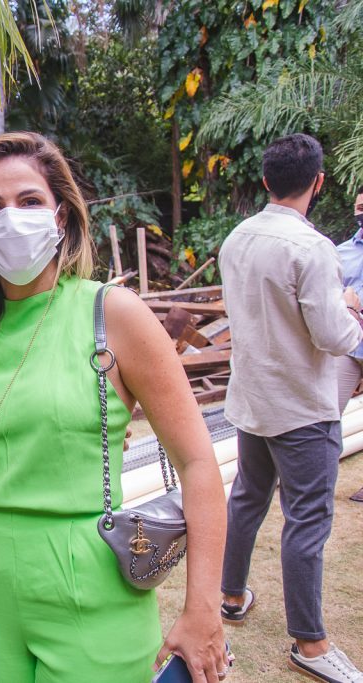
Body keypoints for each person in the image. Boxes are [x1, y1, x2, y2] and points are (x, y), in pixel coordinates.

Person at [0, 131, 229, 683]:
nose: (9, 218)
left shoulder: (113, 314)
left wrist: (203, 609)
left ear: (61, 216)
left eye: (29, 201)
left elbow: (197, 463)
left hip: (90, 585)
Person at [218, 134, 363, 682]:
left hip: (253, 398)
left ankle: (231, 595)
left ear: (265, 181)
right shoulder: (313, 247)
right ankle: (310, 641)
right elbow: (333, 336)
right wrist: (350, 308)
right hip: (302, 406)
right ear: (318, 182)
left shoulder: (237, 238)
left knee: (248, 499)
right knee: (307, 520)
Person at [335, 185, 363, 503]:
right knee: (329, 414)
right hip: (349, 348)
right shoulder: (340, 253)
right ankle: (318, 479)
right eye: (359, 207)